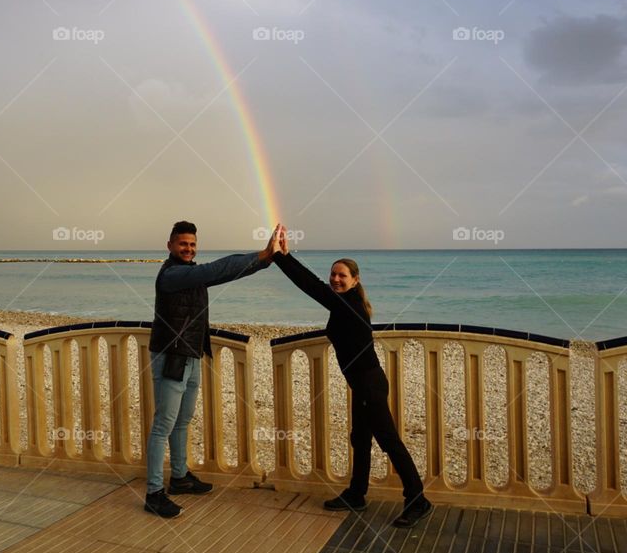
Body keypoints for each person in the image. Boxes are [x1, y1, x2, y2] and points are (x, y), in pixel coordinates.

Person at [271, 227, 432, 528]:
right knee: (360, 438)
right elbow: (318, 288)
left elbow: (311, 286)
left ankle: (417, 499)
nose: (335, 279)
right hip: (362, 384)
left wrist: (282, 257)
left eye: (342, 275)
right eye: (333, 274)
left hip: (370, 385)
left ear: (355, 280)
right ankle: (356, 494)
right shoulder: (347, 304)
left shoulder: (350, 305)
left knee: (389, 442)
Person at [145, 220, 280, 518]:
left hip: (191, 354)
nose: (189, 249)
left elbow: (223, 272)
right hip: (172, 356)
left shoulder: (189, 273)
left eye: (192, 244)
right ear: (169, 246)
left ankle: (179, 477)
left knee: (182, 421)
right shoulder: (173, 275)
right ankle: (154, 493)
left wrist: (266, 261)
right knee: (162, 425)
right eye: (183, 244)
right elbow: (218, 270)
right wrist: (260, 254)